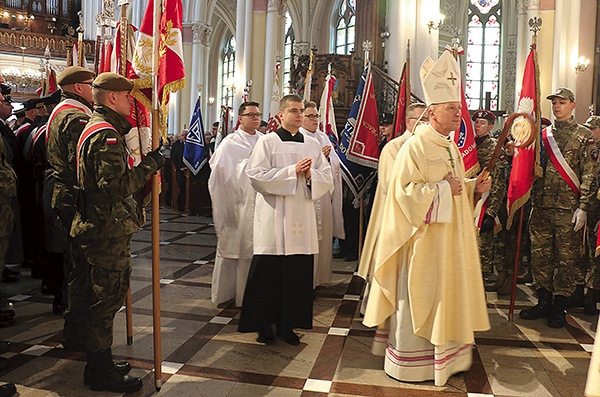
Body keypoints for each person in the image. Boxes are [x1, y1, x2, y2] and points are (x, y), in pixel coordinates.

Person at [362, 51, 491, 386]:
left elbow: (454, 188)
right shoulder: (414, 147)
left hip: (448, 243)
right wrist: (443, 190)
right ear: (432, 113)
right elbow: (402, 194)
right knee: (420, 299)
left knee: (447, 296)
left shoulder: (448, 147)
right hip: (423, 243)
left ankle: (449, 359)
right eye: (452, 109)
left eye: (458, 109)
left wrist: (474, 186)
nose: (458, 114)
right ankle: (413, 363)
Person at [71, 72, 164, 392]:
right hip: (105, 229)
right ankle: (99, 370)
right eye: (127, 96)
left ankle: (102, 361)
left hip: (100, 226)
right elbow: (115, 188)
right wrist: (151, 163)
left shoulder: (98, 127)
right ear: (112, 97)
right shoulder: (107, 135)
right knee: (106, 300)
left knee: (103, 297)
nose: (132, 102)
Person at [238, 94, 333, 345]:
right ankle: (263, 326)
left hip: (302, 215)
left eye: (302, 110)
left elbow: (326, 177)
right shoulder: (267, 142)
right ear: (281, 115)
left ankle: (288, 325)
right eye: (293, 110)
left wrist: (311, 175)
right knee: (268, 275)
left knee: (297, 276)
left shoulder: (312, 144)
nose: (299, 115)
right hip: (274, 217)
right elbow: (255, 176)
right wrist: (292, 172)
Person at [520, 88, 598, 328]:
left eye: (561, 102)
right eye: (554, 103)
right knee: (541, 257)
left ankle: (559, 305)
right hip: (541, 206)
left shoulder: (585, 136)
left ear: (572, 105)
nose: (556, 107)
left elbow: (590, 174)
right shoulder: (542, 135)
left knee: (565, 259)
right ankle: (543, 300)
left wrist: (583, 207)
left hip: (568, 209)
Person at [358, 103, 427, 324]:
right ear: (409, 121)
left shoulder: (429, 146)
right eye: (421, 120)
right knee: (386, 265)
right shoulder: (394, 148)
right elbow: (390, 185)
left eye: (427, 120)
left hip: (420, 216)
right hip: (393, 215)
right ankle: (374, 309)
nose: (426, 125)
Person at [46, 66, 96, 342]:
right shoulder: (75, 117)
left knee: (74, 262)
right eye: (91, 84)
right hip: (74, 197)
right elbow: (81, 163)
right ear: (78, 87)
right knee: (80, 265)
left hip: (65, 194)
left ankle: (76, 326)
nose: (95, 90)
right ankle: (77, 330)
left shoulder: (62, 111)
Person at [209, 101, 264, 307]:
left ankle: (248, 296)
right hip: (235, 203)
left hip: (259, 204)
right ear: (241, 118)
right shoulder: (230, 143)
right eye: (251, 115)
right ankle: (226, 294)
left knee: (253, 251)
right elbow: (218, 173)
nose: (256, 118)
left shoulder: (265, 141)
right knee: (233, 248)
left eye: (258, 115)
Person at [299, 100, 344, 288]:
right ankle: (305, 281)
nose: (315, 119)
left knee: (322, 239)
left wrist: (326, 159)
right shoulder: (297, 138)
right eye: (310, 116)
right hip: (305, 196)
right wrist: (320, 160)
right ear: (301, 118)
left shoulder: (324, 137)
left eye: (316, 116)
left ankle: (319, 279)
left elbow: (335, 165)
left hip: (323, 195)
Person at [471, 109, 509, 293]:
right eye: (476, 122)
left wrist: (491, 212)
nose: (478, 126)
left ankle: (480, 288)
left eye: (483, 123)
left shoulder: (495, 147)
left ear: (491, 126)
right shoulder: (468, 145)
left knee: (483, 250)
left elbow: (499, 181)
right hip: (469, 201)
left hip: (485, 204)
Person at [581, 115, 600, 315]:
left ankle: (592, 296)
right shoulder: (586, 149)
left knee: (596, 254)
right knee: (582, 251)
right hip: (587, 208)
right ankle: (579, 289)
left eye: (593, 129)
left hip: (598, 210)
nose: (589, 132)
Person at [170, 129, 188, 211]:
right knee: (181, 187)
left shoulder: (192, 145)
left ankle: (188, 205)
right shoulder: (176, 146)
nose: (185, 137)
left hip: (189, 170)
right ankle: (181, 205)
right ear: (180, 136)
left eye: (186, 135)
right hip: (180, 170)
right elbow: (174, 158)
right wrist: (179, 167)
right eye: (183, 135)